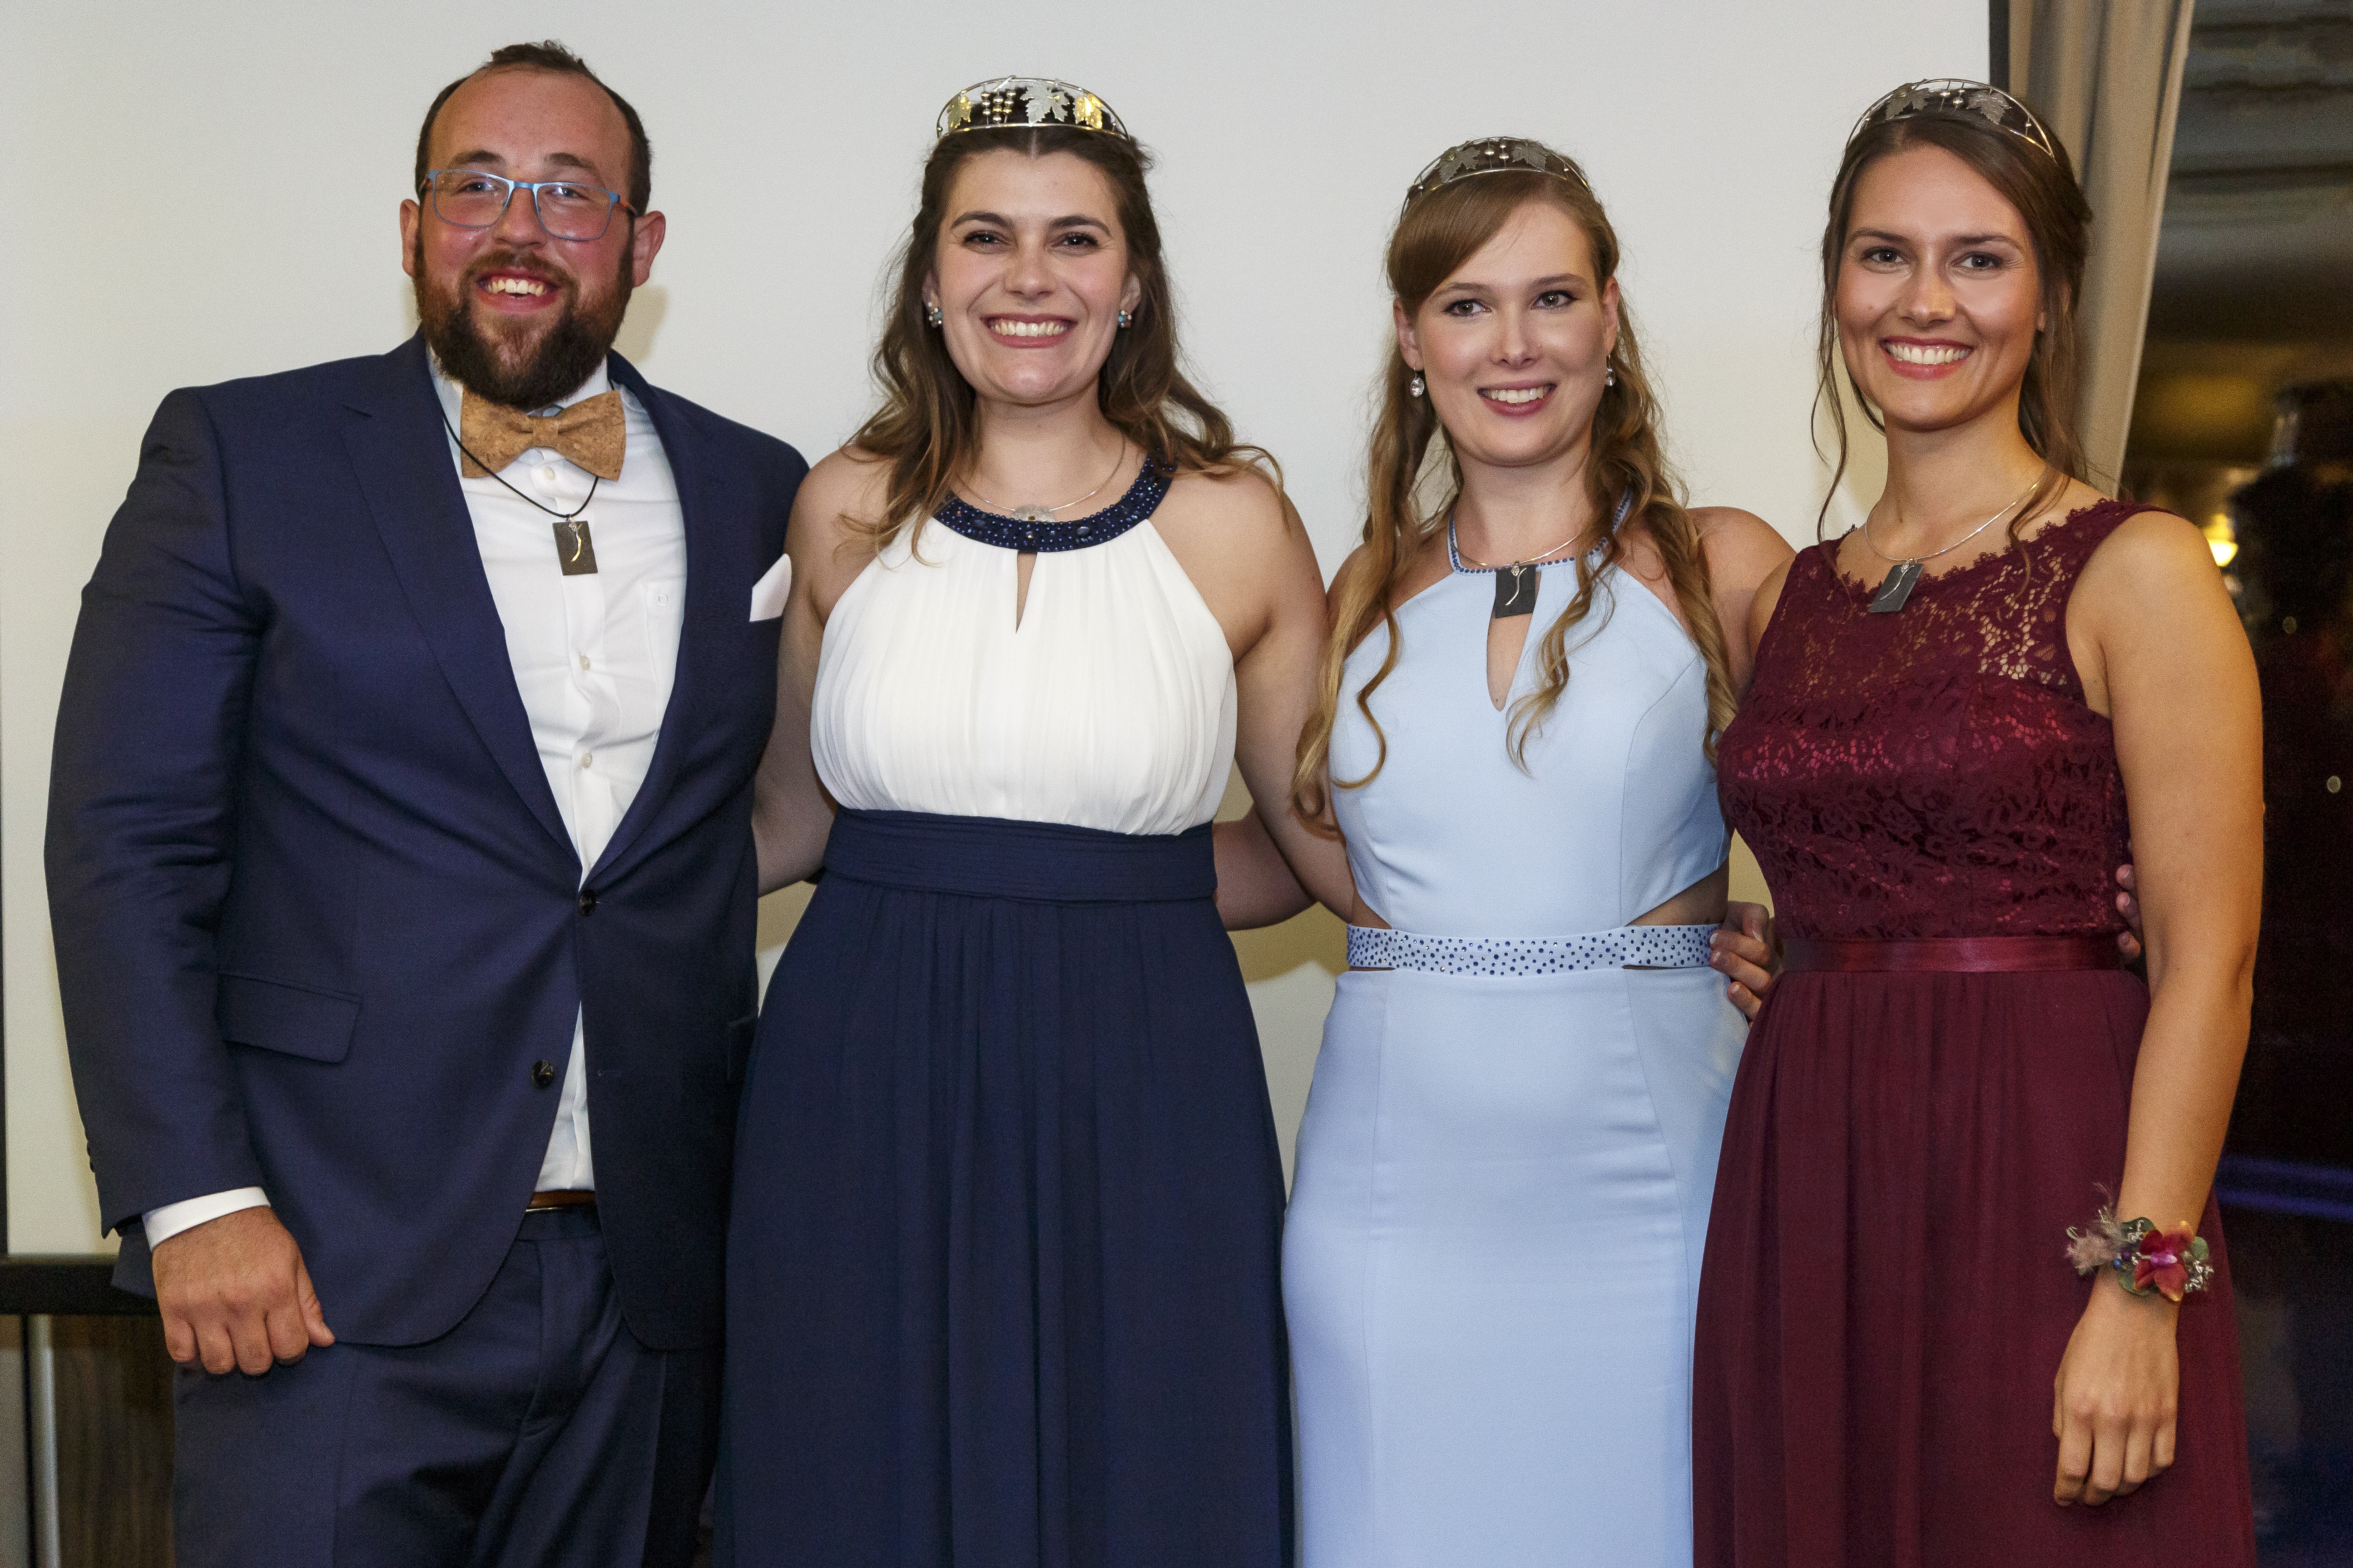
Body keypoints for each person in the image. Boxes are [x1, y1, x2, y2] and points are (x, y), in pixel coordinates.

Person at [46, 42, 804, 1567]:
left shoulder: (759, 491)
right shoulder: (240, 457)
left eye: (571, 194)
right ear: (413, 228)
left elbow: (717, 840)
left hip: (652, 1288)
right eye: (478, 185)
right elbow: (128, 850)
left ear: (643, 244)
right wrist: (194, 1200)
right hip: (316, 1271)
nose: (520, 226)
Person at [718, 77, 1334, 1567]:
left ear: (1134, 284)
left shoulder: (1237, 522)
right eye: (986, 236)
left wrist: (1645, 927)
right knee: (857, 1460)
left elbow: (1315, 851)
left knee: (1147, 1456)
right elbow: (788, 818)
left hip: (1147, 1067)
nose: (1029, 277)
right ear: (931, 282)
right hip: (861, 1068)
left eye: (1076, 238)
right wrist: (533, 902)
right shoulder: (842, 507)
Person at [1694, 79, 2261, 1564]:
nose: (1925, 301)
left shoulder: (2138, 570)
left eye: (1980, 259)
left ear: (2051, 297)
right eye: (1884, 254)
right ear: (1837, 282)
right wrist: (1784, 942)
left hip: (2048, 1172)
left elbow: (2209, 965)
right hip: (1810, 1176)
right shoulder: (1791, 595)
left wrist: (2143, 1283)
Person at [1267, 137, 1791, 1566]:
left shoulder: (1724, 565)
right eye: (1467, 304)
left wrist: (1820, 939)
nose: (1514, 344)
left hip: (1651, 1184)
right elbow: (1283, 852)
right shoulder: (1358, 587)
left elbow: (1865, 800)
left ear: (1611, 319)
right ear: (1410, 337)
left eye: (1552, 298)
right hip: (1388, 1195)